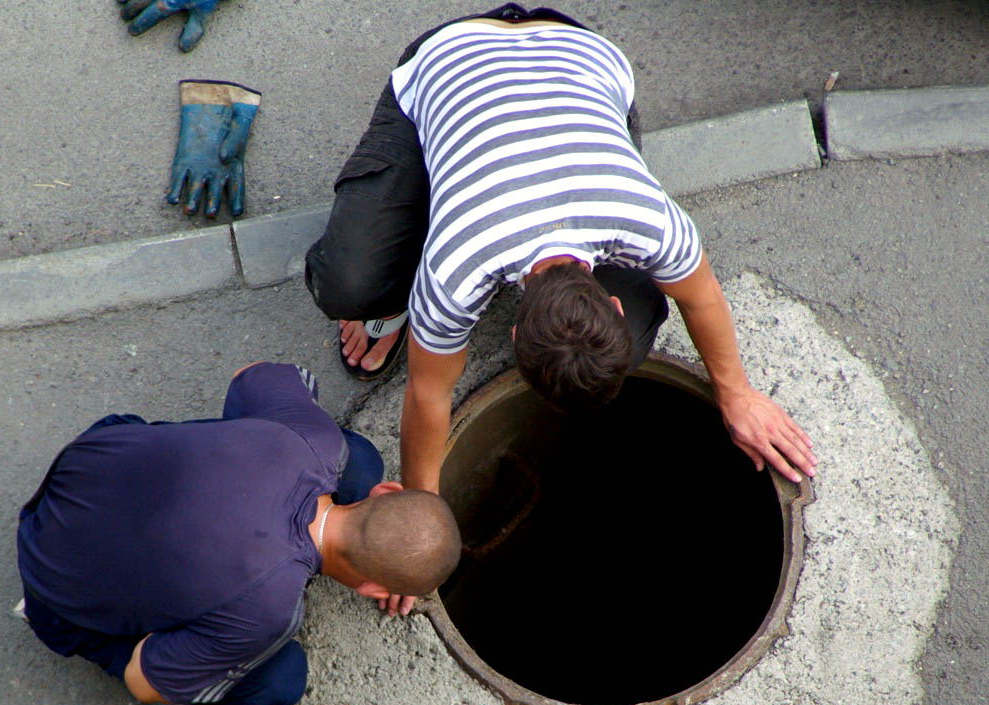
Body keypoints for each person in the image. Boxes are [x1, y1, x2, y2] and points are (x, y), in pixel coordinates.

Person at [304, 4, 817, 608]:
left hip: (579, 58)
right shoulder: (456, 270)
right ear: (517, 331)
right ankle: (393, 304)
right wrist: (424, 525)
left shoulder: (647, 219)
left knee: (628, 345)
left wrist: (736, 393)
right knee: (349, 283)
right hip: (448, 64)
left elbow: (701, 296)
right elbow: (427, 397)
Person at [15, 362, 461, 705]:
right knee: (283, 679)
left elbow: (249, 375)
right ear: (370, 590)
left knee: (355, 457)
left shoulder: (312, 441)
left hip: (87, 462)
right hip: (51, 592)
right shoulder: (268, 613)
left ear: (386, 493)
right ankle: (179, 680)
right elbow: (140, 680)